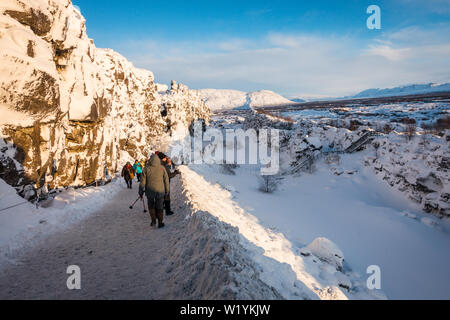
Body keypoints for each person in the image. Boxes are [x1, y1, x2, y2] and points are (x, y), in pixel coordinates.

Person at [139, 155, 170, 228]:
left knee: (151, 206)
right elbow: (166, 180)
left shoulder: (146, 169)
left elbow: (142, 182)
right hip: (160, 191)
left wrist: (140, 191)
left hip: (149, 191)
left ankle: (153, 220)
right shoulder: (162, 168)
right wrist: (167, 190)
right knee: (160, 207)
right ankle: (160, 222)